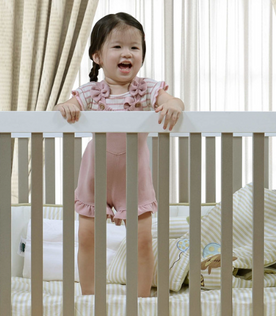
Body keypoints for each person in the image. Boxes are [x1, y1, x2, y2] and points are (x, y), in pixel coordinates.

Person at [54, 12, 184, 297]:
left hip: (134, 179)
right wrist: (67, 106)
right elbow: (66, 106)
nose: (127, 53)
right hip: (94, 176)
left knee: (143, 241)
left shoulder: (147, 90)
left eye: (134, 47)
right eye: (117, 47)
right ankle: (89, 296)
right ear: (97, 56)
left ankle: (141, 299)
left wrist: (174, 103)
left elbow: (170, 100)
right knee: (87, 239)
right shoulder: (91, 92)